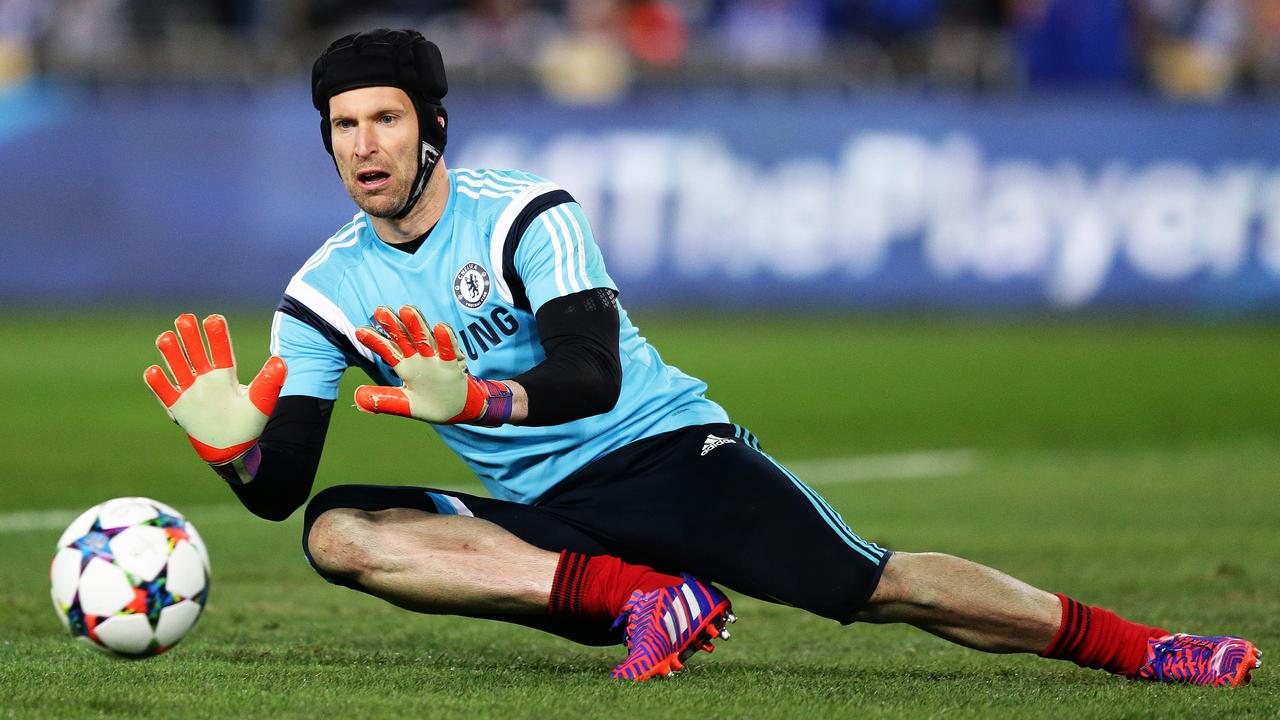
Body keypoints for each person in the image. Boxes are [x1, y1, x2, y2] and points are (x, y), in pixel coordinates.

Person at [144, 28, 1261, 685]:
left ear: (432, 126)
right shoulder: (322, 288)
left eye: (382, 120)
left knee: (878, 586)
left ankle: (1148, 650)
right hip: (545, 522)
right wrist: (229, 449)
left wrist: (474, 393)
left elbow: (594, 373)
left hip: (668, 456)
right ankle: (653, 600)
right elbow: (280, 490)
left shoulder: (526, 213)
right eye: (342, 127)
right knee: (338, 531)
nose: (363, 146)